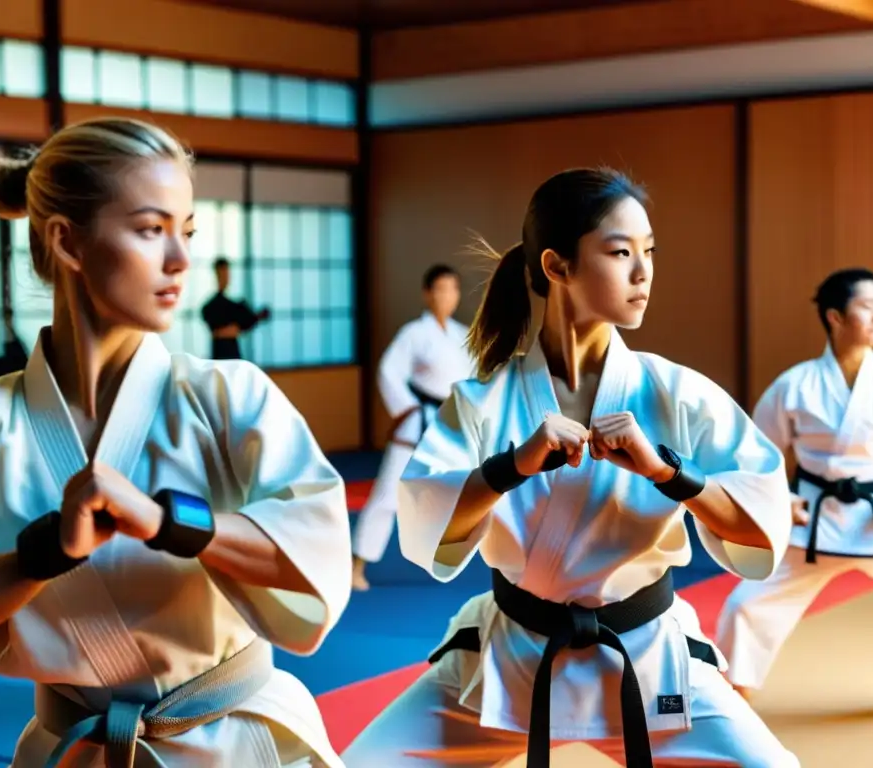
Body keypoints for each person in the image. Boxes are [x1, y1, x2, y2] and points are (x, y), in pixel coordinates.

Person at [0, 117, 352, 768]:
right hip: (75, 751)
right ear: (67, 240)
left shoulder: (227, 397)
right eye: (152, 230)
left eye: (187, 232)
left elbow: (315, 551)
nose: (181, 261)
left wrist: (169, 521)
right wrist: (41, 555)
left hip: (236, 744)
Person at [340, 167, 798, 768]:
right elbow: (432, 530)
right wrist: (513, 466)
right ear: (557, 267)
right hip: (510, 658)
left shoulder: (677, 393)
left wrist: (668, 473)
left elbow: (757, 527)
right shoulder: (483, 401)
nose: (644, 272)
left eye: (649, 252)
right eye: (620, 252)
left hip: (646, 656)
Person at [715, 268, 873, 701]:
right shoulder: (795, 385)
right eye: (868, 306)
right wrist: (781, 500)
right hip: (814, 524)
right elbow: (753, 452)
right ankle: (734, 695)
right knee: (745, 606)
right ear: (836, 317)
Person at [351, 264, 474, 591]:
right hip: (416, 420)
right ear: (427, 293)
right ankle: (357, 563)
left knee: (455, 492)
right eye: (440, 289)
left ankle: (445, 557)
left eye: (452, 289)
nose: (446, 296)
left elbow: (476, 380)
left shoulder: (463, 335)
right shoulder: (413, 334)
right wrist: (406, 409)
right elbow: (388, 371)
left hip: (448, 425)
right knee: (389, 494)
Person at [201, 256, 271, 360]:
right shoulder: (210, 306)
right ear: (216, 274)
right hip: (220, 354)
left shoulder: (234, 305)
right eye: (222, 273)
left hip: (233, 354)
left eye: (227, 273)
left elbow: (245, 323)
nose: (226, 277)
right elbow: (219, 331)